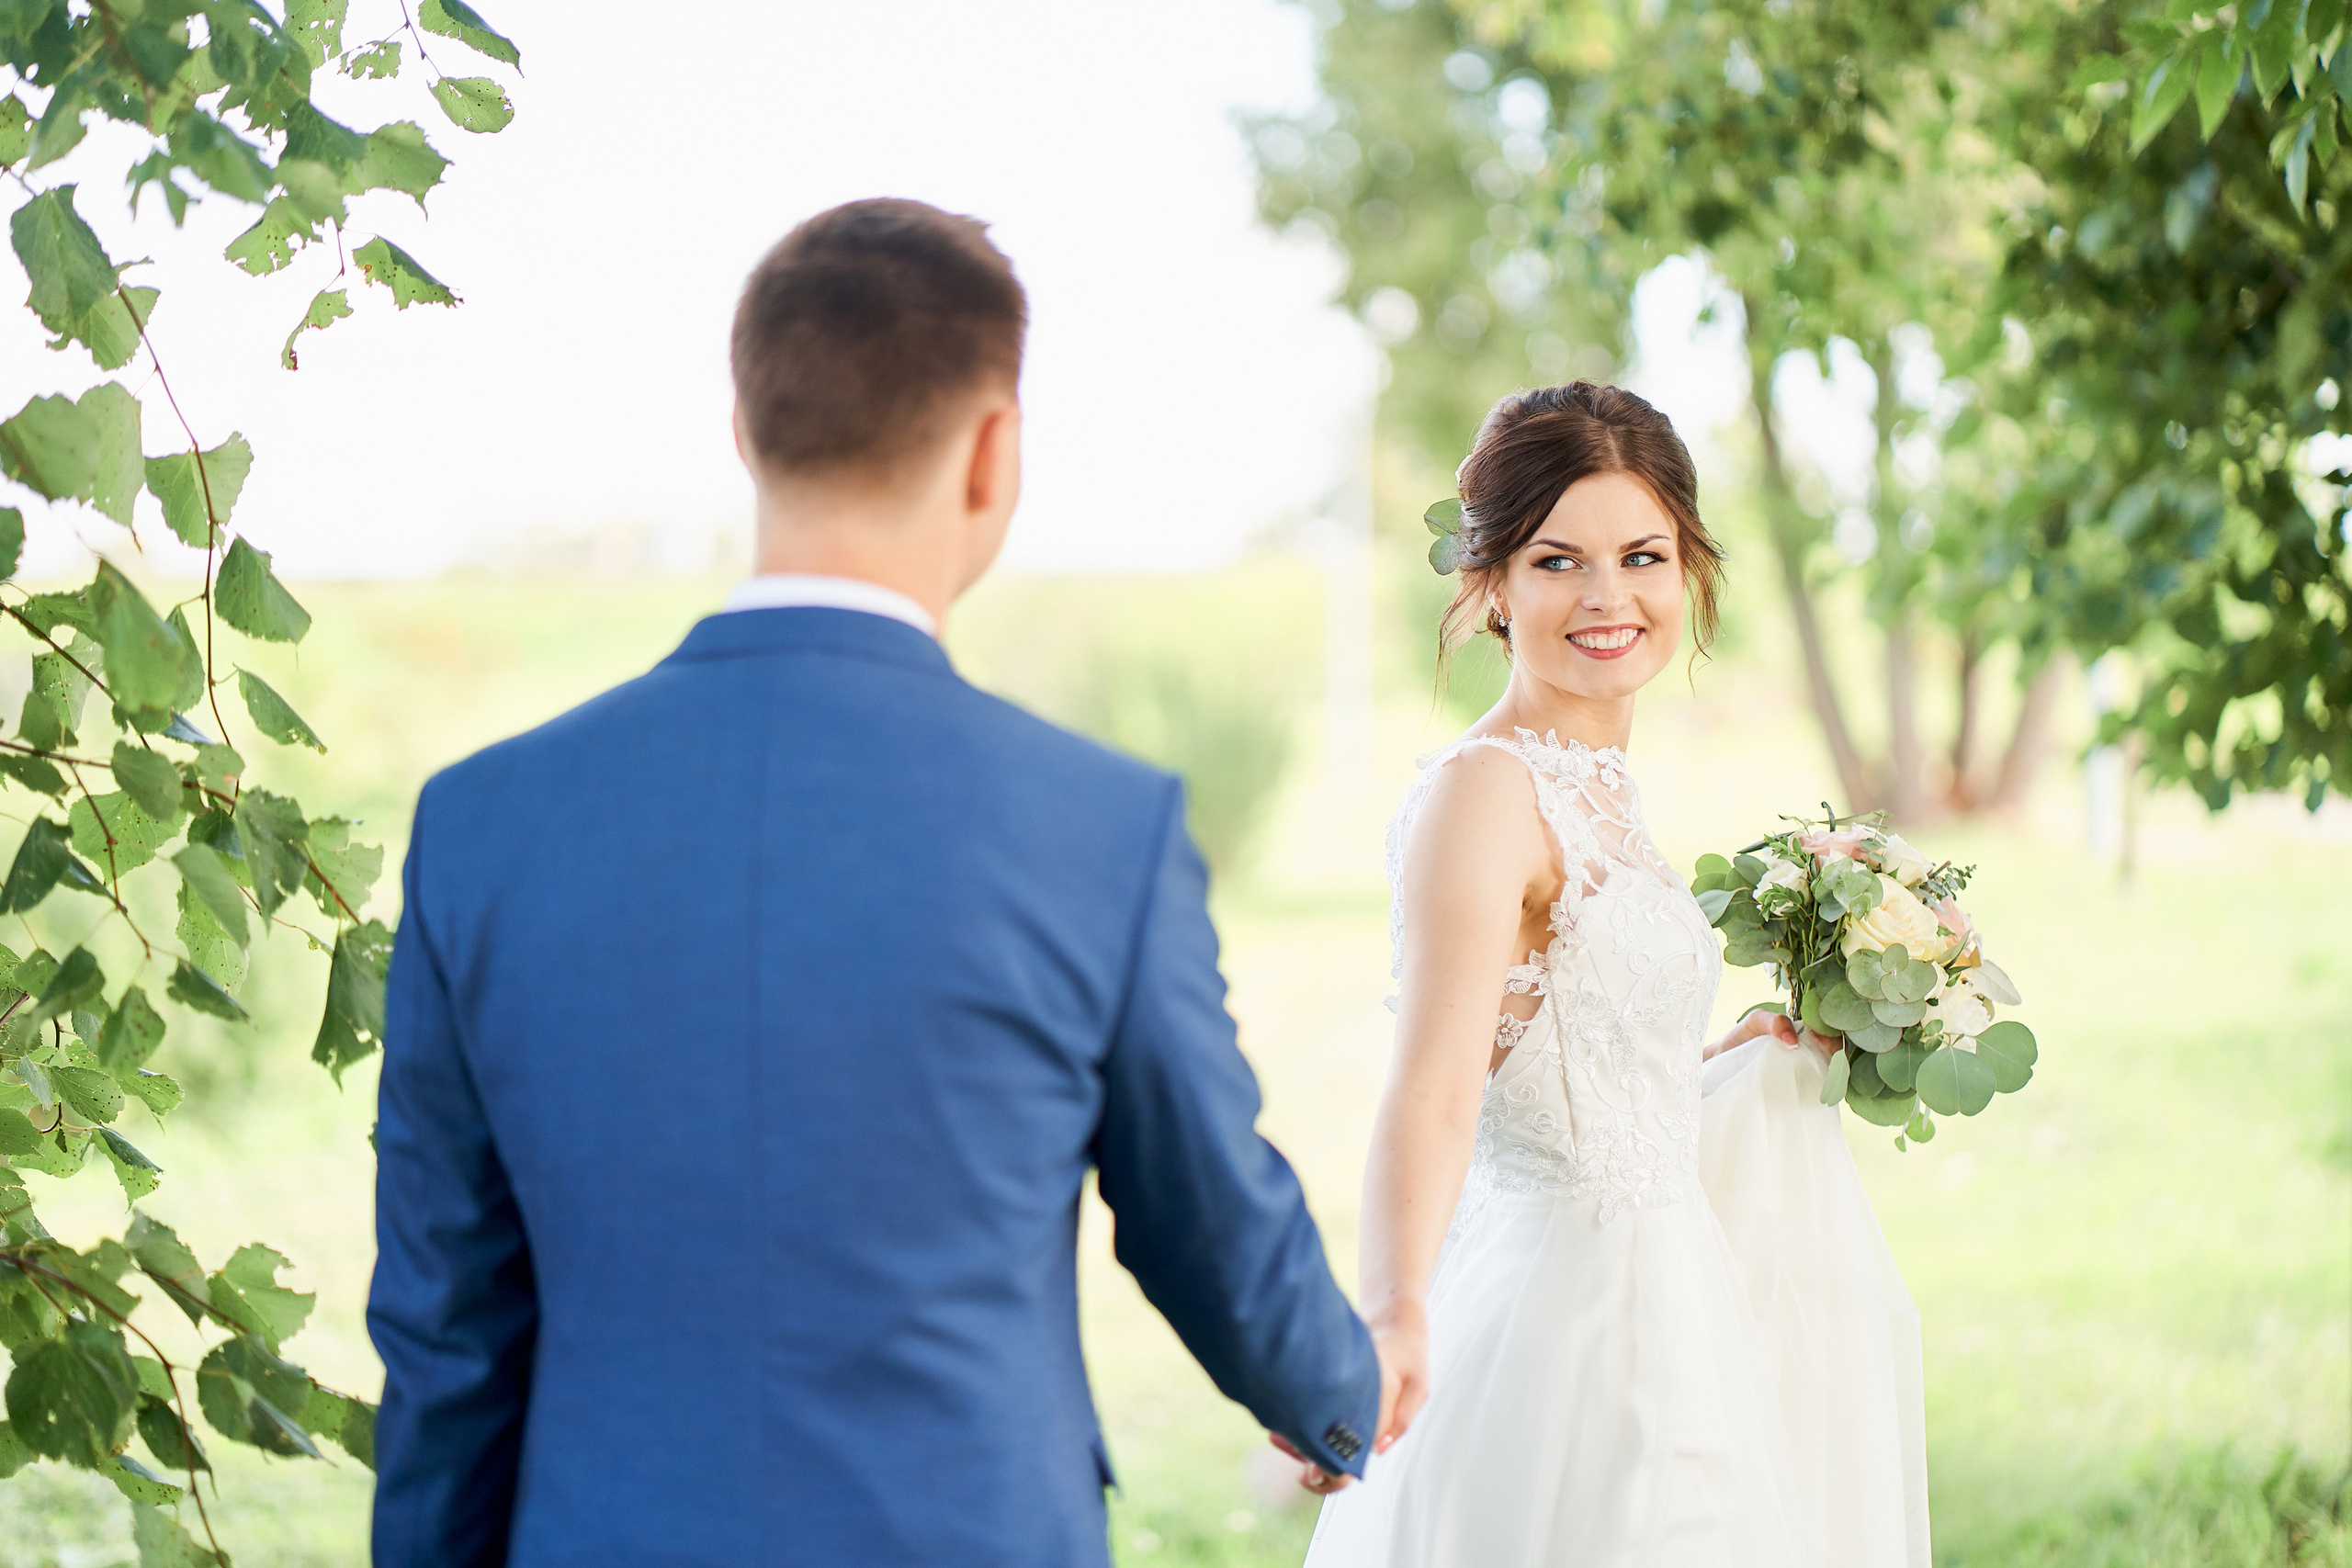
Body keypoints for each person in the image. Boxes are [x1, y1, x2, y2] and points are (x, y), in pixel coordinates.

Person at [367, 198, 1387, 1568]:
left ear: (747, 431)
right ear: (992, 453)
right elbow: (1206, 1217)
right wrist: (1341, 1400)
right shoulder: (1096, 827)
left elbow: (447, 1323)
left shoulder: (483, 822)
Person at [1299, 382, 1930, 1566]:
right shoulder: (1485, 793)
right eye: (1557, 560)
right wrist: (1391, 1313)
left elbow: (1551, 1058)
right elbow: (1434, 1090)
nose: (1607, 596)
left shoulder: (1597, 785)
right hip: (1570, 1325)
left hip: (1673, 1302)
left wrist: (1709, 1066)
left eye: (1641, 555)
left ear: (1686, 570)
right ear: (1489, 585)